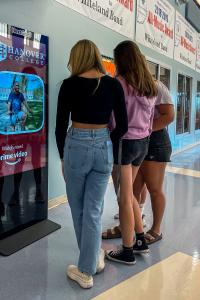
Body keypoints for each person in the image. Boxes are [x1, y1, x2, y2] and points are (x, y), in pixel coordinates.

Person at [55, 39, 128, 289]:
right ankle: (94, 259)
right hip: (103, 148)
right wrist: (108, 140)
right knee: (94, 210)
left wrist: (63, 157)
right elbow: (124, 126)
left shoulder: (68, 85)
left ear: (77, 58)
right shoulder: (112, 85)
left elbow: (59, 127)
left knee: (78, 209)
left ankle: (85, 271)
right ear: (97, 56)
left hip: (76, 145)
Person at [103, 41, 157, 265]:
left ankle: (127, 250)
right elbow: (152, 119)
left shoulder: (119, 84)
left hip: (125, 143)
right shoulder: (150, 86)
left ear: (121, 60)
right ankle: (140, 240)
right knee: (130, 195)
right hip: (143, 142)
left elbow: (111, 118)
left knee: (123, 198)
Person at [133, 80, 174, 244]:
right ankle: (129, 225)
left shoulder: (155, 86)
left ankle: (156, 230)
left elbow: (169, 115)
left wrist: (147, 129)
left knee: (154, 189)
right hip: (136, 139)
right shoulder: (127, 85)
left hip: (155, 141)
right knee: (132, 191)